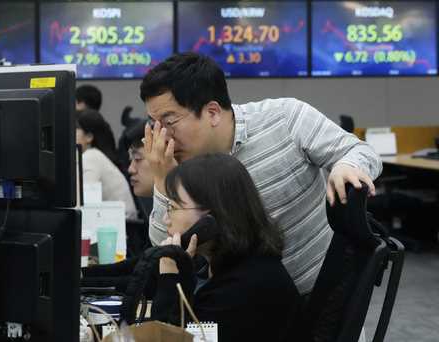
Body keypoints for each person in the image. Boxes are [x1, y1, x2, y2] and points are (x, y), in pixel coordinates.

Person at [141, 52, 383, 295]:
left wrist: (346, 165)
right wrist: (163, 179)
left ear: (212, 112)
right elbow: (167, 250)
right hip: (246, 304)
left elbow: (362, 152)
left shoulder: (285, 119)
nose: (161, 136)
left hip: (324, 298)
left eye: (169, 121)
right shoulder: (179, 163)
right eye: (154, 124)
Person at [151, 153, 300, 342]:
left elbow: (165, 338)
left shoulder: (240, 289)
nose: (165, 219)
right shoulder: (228, 266)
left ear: (210, 220)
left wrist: (169, 279)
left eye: (172, 208)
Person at [76, 110, 137, 219]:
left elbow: (85, 201)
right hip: (119, 223)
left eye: (74, 130)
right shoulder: (95, 155)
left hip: (124, 226)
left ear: (89, 137)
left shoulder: (91, 157)